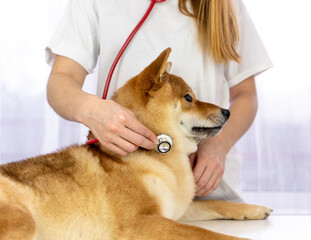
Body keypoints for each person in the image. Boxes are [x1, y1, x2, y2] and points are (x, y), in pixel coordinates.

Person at [45, 0, 272, 202]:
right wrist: (91, 110)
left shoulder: (224, 4)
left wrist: (219, 146)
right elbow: (61, 79)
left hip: (206, 194)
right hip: (125, 191)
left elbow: (246, 95)